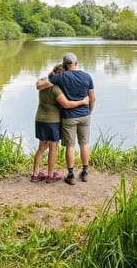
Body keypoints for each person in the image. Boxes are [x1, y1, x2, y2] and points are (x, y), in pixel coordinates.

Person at [37, 52, 95, 185]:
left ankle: (71, 175)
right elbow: (92, 98)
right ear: (76, 64)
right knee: (84, 144)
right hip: (85, 115)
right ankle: (85, 172)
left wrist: (39, 80)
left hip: (69, 117)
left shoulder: (61, 77)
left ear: (64, 64)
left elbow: (41, 86)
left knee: (70, 146)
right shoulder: (87, 76)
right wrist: (89, 111)